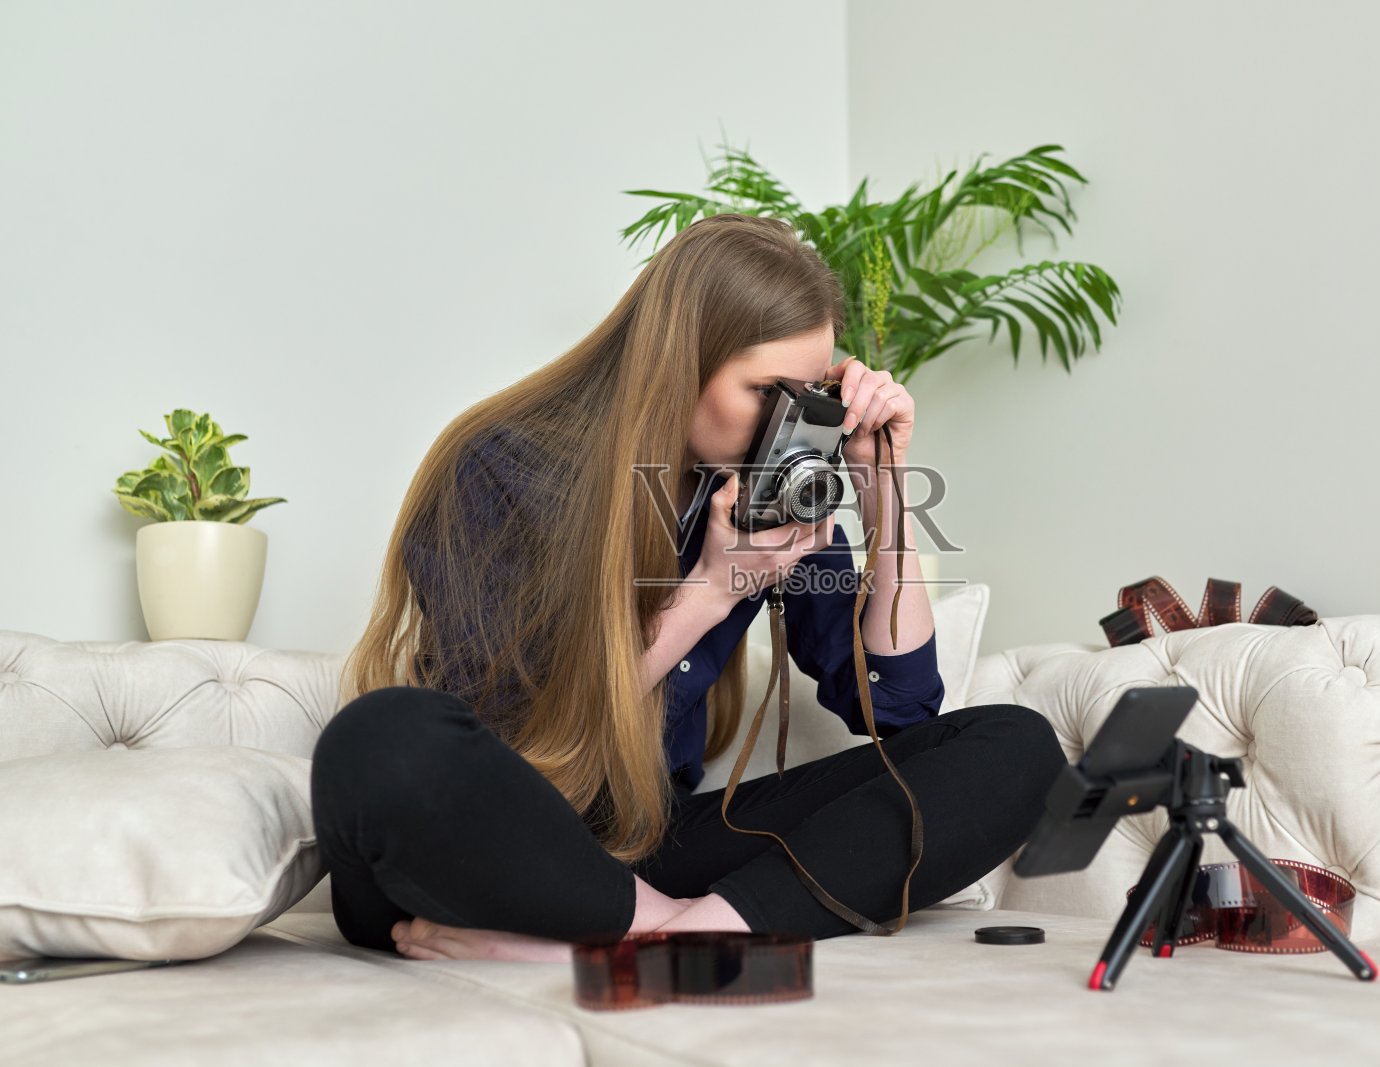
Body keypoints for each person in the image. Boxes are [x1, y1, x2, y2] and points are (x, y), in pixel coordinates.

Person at [310, 213, 1066, 964]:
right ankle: (639, 925)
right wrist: (709, 590)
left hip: (639, 848)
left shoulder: (766, 493)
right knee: (381, 738)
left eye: (809, 397)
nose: (789, 427)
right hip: (491, 833)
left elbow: (900, 707)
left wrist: (883, 494)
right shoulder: (503, 464)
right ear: (679, 362)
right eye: (767, 391)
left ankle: (681, 933)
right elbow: (512, 742)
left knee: (1014, 744)